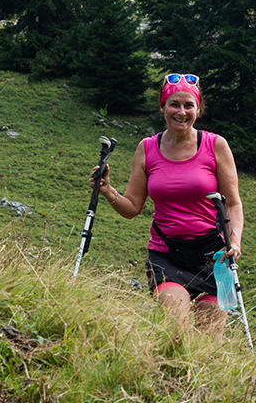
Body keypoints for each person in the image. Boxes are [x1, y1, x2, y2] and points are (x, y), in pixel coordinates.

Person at [92, 73, 244, 334]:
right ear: (163, 107)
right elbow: (132, 207)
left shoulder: (216, 145)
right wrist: (107, 191)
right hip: (167, 255)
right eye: (174, 104)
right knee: (175, 332)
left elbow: (233, 203)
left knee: (209, 345)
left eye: (189, 105)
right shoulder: (147, 148)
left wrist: (235, 240)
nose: (181, 112)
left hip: (215, 256)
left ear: (198, 109)